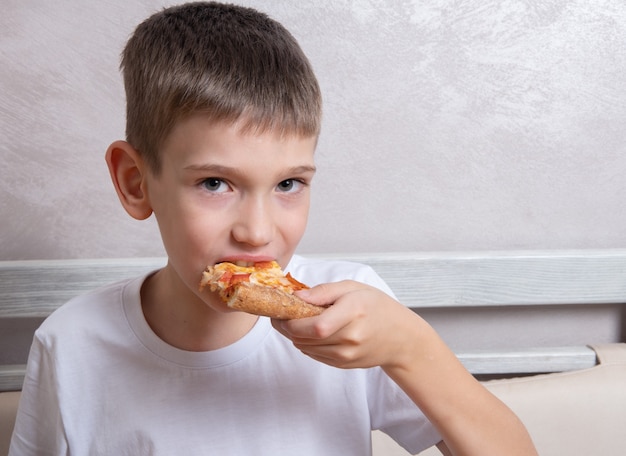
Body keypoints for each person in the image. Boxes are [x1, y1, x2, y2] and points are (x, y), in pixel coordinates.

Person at [9, 2, 537, 455]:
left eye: (288, 184)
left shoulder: (356, 312)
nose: (258, 233)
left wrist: (412, 350)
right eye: (215, 183)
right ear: (136, 183)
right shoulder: (72, 343)